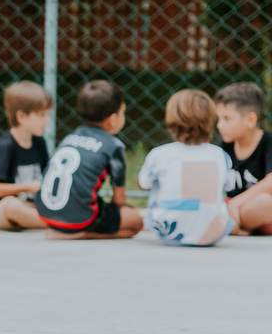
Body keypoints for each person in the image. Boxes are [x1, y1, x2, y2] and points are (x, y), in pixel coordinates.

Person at [35, 80, 143, 240]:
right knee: (136, 223)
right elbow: (119, 200)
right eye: (122, 113)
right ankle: (82, 234)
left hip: (45, 212)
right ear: (113, 119)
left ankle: (64, 229)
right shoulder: (113, 146)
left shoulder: (69, 138)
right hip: (79, 219)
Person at [137, 90, 233, 246]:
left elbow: (144, 184)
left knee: (156, 180)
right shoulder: (220, 155)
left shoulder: (159, 154)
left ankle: (166, 215)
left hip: (168, 233)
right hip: (213, 233)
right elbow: (227, 185)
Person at [0, 81, 52, 231]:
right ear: (21, 116)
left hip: (34, 205)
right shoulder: (6, 146)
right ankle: (57, 225)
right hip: (5, 209)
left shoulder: (39, 143)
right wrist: (25, 187)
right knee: (12, 206)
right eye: (41, 115)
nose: (47, 120)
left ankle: (48, 221)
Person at [214, 82, 272, 235]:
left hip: (261, 213)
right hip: (233, 210)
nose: (219, 125)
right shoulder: (225, 147)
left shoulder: (268, 143)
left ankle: (230, 226)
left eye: (227, 118)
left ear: (250, 120)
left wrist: (236, 203)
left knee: (265, 202)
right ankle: (236, 226)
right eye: (218, 118)